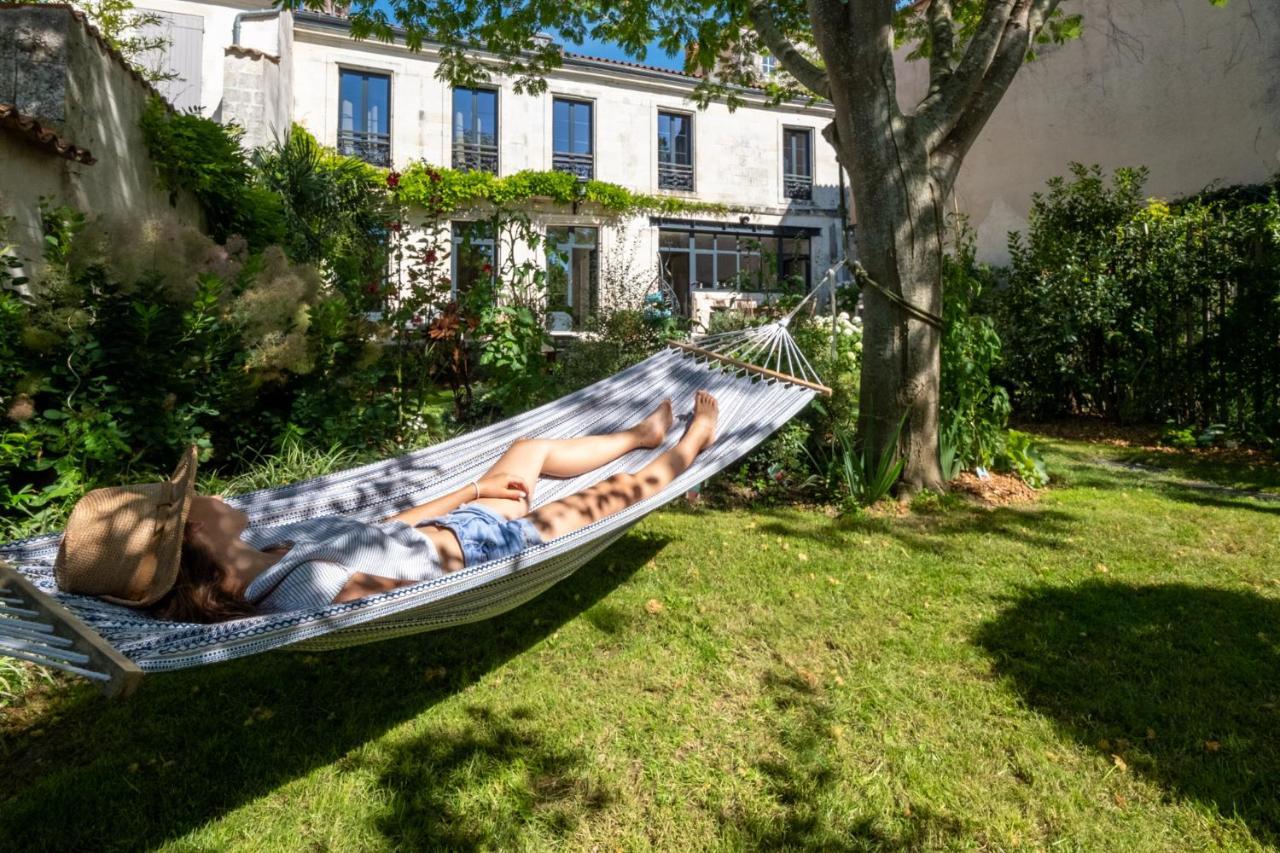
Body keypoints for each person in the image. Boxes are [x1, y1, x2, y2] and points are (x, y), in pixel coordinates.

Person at [54, 392, 720, 623]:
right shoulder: (298, 590)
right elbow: (409, 592)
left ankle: (639, 435)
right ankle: (690, 444)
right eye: (193, 493)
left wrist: (472, 491)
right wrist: (500, 536)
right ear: (194, 526)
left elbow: (383, 529)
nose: (213, 489)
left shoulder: (265, 543)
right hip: (487, 551)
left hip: (460, 522)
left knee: (527, 446)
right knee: (607, 499)